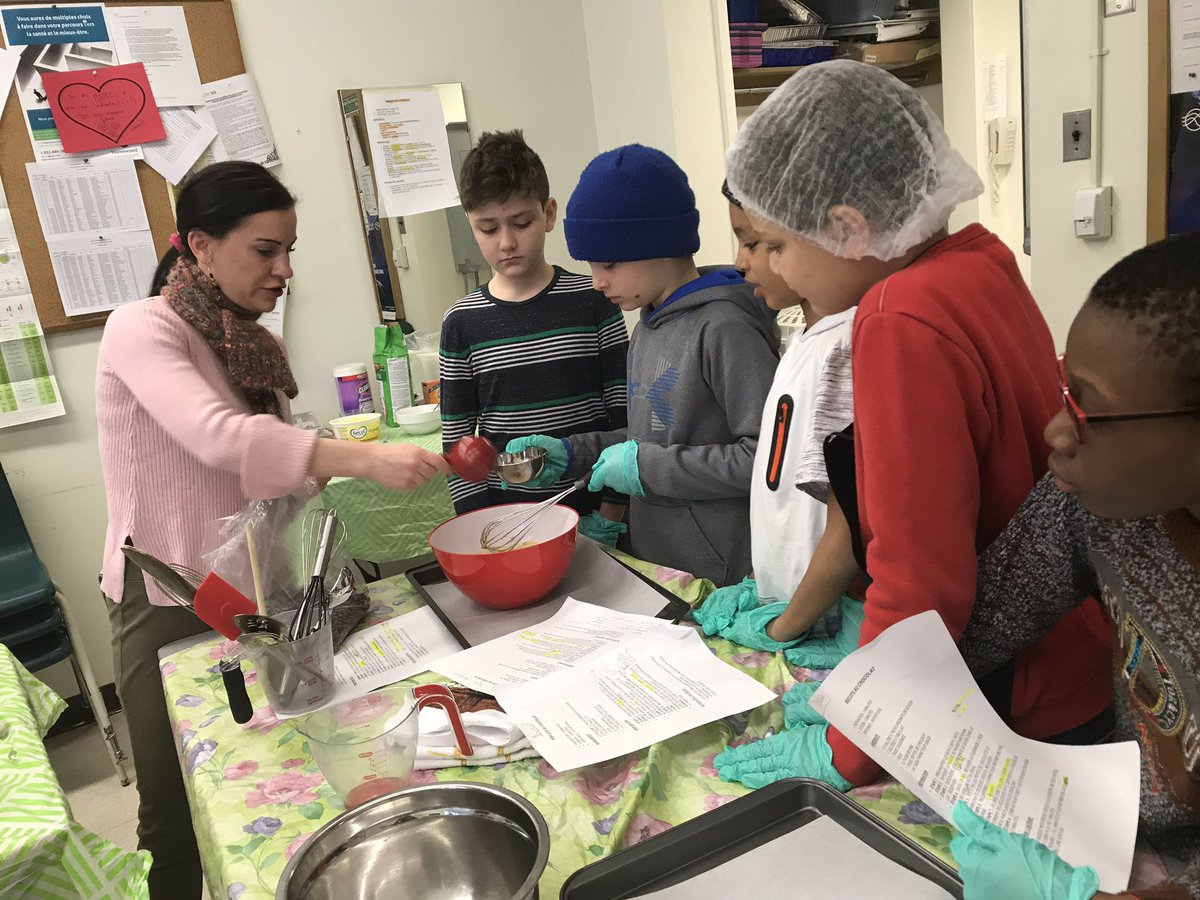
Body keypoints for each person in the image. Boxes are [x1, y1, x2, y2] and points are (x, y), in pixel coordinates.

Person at [711, 61, 1113, 791]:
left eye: (775, 245)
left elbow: (920, 576)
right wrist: (857, 694)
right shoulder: (982, 259)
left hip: (1005, 695)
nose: (774, 270)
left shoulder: (897, 319)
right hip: (1068, 658)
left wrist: (856, 742)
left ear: (848, 226)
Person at [96, 161, 450, 898]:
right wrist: (361, 458)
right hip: (170, 600)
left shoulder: (253, 347)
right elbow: (218, 439)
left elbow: (268, 482)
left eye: (290, 249)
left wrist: (320, 474)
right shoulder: (142, 329)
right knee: (174, 806)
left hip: (264, 595)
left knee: (281, 772)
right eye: (265, 250)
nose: (285, 269)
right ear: (199, 244)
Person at [948, 233, 1200, 900]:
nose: (1056, 430)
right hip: (1132, 836)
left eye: (1087, 408)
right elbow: (991, 616)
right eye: (1064, 388)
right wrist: (872, 678)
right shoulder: (1107, 508)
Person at [508, 144, 780, 585]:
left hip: (720, 575)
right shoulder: (647, 324)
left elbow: (766, 461)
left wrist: (646, 469)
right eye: (591, 266)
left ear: (660, 244)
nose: (597, 282)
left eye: (609, 264)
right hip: (661, 563)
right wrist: (580, 452)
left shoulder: (725, 327)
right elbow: (650, 438)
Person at [438, 130, 629, 544]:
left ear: (548, 214)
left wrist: (613, 512)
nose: (506, 242)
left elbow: (625, 417)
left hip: (592, 512)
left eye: (521, 223)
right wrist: (476, 529)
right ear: (470, 227)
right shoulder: (461, 323)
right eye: (487, 228)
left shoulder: (595, 299)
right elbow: (457, 445)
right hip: (508, 524)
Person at [692, 180, 859, 650]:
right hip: (789, 601)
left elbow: (846, 523)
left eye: (757, 244)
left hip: (817, 619)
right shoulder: (804, 339)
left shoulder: (843, 349)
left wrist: (783, 627)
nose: (741, 262)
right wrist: (759, 580)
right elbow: (780, 485)